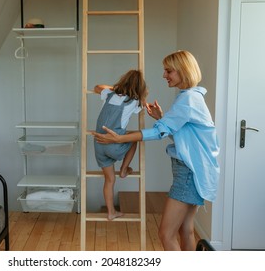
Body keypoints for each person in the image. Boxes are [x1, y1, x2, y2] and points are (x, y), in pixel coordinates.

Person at [93, 50, 220, 250]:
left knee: (165, 234)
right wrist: (162, 118)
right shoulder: (191, 97)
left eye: (169, 71)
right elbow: (182, 135)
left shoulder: (188, 100)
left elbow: (159, 133)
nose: (164, 75)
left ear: (183, 71)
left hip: (188, 172)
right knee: (185, 230)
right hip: (195, 170)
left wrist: (120, 137)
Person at [93, 69, 148, 221]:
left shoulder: (109, 95)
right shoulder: (134, 101)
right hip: (114, 144)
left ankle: (111, 212)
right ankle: (124, 169)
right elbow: (142, 104)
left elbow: (97, 87)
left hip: (98, 144)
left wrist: (114, 88)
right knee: (134, 139)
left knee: (109, 180)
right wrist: (142, 97)